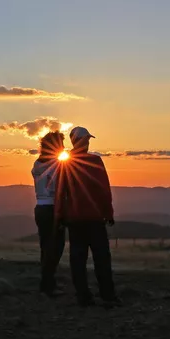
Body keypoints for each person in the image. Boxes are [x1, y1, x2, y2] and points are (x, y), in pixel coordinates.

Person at [56, 126, 119, 307]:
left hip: (74, 219)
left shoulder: (65, 163)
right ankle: (107, 295)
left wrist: (59, 217)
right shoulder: (96, 161)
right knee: (102, 258)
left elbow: (61, 192)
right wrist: (108, 213)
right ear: (81, 141)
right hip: (95, 218)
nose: (88, 142)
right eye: (87, 139)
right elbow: (104, 189)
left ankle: (83, 296)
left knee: (78, 258)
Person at [31, 131, 67, 297]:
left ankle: (46, 284)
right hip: (54, 208)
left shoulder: (37, 164)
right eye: (61, 144)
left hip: (40, 207)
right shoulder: (59, 165)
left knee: (45, 247)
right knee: (56, 247)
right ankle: (47, 285)